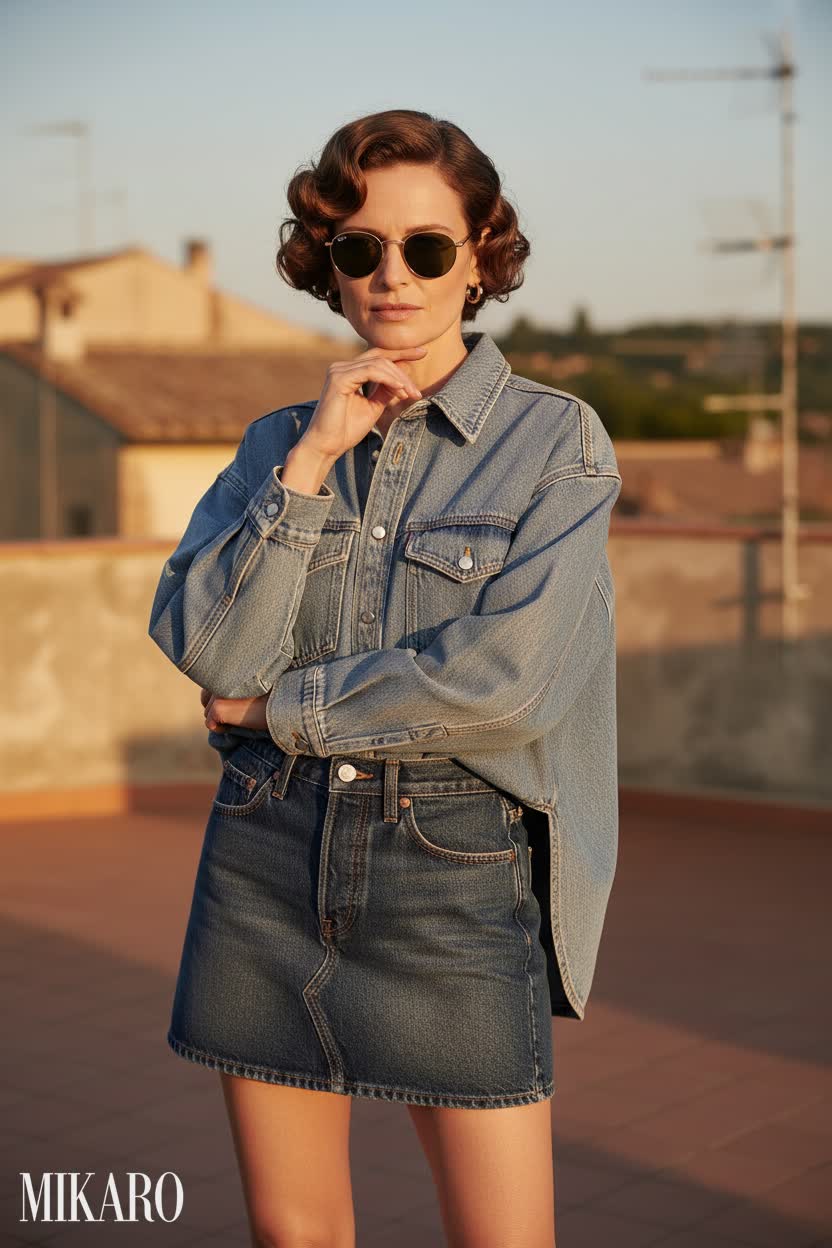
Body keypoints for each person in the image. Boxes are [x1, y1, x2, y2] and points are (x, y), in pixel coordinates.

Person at [148, 107, 622, 1248]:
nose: (391, 275)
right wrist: (312, 461)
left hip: (451, 872)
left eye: (426, 246)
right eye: (359, 247)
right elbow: (209, 647)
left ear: (480, 258)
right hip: (264, 854)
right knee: (294, 1232)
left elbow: (508, 684)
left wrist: (279, 710)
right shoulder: (276, 443)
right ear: (328, 263)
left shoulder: (554, 445)